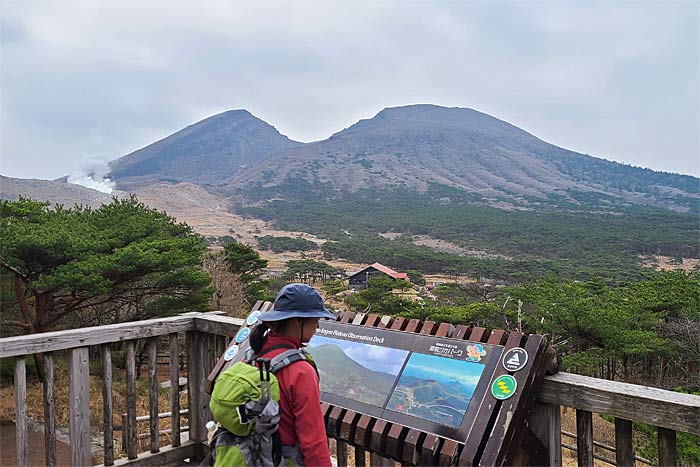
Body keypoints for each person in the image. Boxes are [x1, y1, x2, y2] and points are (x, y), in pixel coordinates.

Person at [248, 283, 334, 467]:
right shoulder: (301, 371)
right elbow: (313, 441)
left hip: (254, 455)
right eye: (315, 319)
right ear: (297, 321)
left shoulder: (252, 356)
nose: (318, 325)